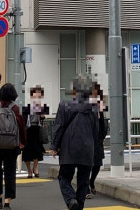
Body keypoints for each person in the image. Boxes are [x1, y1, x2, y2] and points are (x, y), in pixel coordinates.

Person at [48, 75, 99, 210]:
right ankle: (79, 206)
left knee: (64, 177)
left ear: (74, 90)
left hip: (68, 148)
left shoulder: (64, 105)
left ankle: (71, 200)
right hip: (87, 149)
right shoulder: (94, 108)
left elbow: (59, 126)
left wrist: (54, 146)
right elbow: (96, 131)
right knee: (83, 181)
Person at [0, 83, 26, 210]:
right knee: (10, 172)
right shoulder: (16, 108)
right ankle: (7, 202)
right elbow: (22, 126)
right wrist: (22, 142)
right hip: (12, 145)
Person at [21, 85, 49, 179]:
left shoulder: (42, 107)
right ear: (31, 95)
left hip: (37, 130)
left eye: (39, 96)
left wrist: (42, 115)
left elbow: (43, 118)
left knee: (37, 151)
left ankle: (35, 168)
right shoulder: (26, 107)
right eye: (35, 95)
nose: (37, 97)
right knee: (27, 151)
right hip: (28, 131)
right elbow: (23, 119)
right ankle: (29, 170)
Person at [86, 83, 107, 198]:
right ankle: (86, 188)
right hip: (87, 137)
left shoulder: (100, 104)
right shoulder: (85, 105)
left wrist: (103, 134)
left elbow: (102, 120)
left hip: (98, 138)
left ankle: (91, 181)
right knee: (87, 164)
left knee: (97, 163)